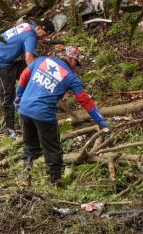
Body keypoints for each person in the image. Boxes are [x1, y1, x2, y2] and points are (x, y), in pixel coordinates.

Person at [14, 46, 110, 186]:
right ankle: (56, 184)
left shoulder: (42, 60)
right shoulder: (71, 77)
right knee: (53, 150)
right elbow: (85, 100)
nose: (75, 68)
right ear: (72, 59)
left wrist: (19, 96)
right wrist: (100, 121)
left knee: (30, 146)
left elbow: (24, 76)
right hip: (44, 114)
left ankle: (25, 178)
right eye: (76, 64)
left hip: (25, 109)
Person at [0, 19, 56, 138]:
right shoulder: (31, 35)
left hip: (9, 60)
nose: (44, 38)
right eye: (44, 35)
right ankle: (10, 129)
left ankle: (37, 107)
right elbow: (29, 59)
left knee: (32, 75)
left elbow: (25, 51)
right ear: (39, 28)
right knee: (7, 95)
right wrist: (37, 75)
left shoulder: (26, 26)